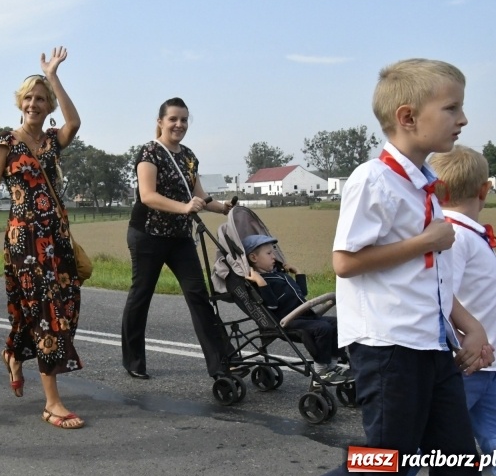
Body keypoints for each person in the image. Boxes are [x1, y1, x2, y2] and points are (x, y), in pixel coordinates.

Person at [305, 59, 492, 476]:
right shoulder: (373, 180)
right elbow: (345, 262)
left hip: (430, 345)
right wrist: (424, 241)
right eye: (451, 108)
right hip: (390, 348)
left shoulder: (422, 183)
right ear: (407, 117)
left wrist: (470, 326)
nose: (463, 119)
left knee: (460, 467)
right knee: (382, 470)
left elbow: (429, 277)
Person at [0, 46, 85, 429]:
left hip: (58, 239)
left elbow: (75, 122)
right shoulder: (5, 142)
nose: (34, 104)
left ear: (48, 104)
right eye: (29, 98)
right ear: (20, 103)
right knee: (46, 314)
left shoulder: (53, 140)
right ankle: (52, 402)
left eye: (41, 99)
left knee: (63, 310)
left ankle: (14, 354)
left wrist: (53, 75)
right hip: (25, 242)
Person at [401, 146, 496, 476]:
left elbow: (474, 287)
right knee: (417, 450)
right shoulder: (457, 236)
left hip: (485, 367)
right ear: (484, 190)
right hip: (465, 366)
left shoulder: (464, 235)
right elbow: (439, 293)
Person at [120, 97, 233, 381]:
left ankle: (221, 363)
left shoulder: (189, 156)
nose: (179, 124)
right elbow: (148, 196)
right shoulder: (150, 153)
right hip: (147, 235)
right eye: (173, 119)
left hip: (179, 238)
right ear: (160, 122)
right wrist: (183, 207)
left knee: (198, 295)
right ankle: (134, 360)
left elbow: (198, 195)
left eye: (183, 119)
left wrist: (222, 208)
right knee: (141, 294)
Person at [243, 234, 350, 385]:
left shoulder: (278, 275)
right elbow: (271, 305)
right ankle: (321, 370)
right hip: (288, 320)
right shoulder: (260, 281)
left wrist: (298, 273)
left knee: (337, 323)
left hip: (304, 316)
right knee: (323, 328)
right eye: (269, 253)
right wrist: (260, 282)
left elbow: (302, 293)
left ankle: (332, 365)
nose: (274, 256)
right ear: (253, 258)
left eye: (273, 252)